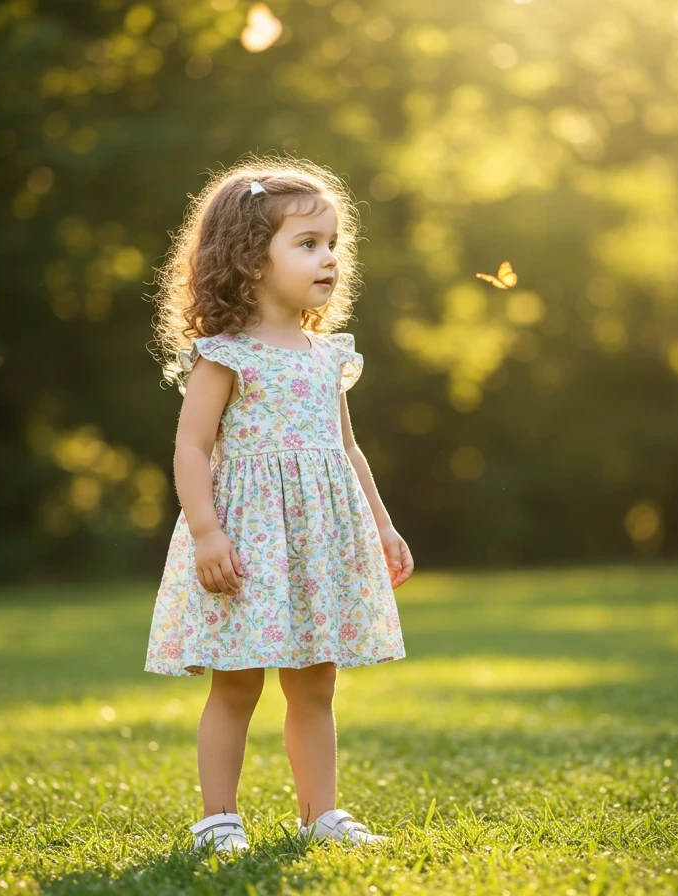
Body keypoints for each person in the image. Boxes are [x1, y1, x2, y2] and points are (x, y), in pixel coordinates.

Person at [144, 154, 414, 857]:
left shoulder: (328, 356)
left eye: (333, 245)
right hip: (248, 542)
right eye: (307, 244)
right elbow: (192, 449)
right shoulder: (226, 354)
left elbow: (348, 450)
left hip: (317, 542)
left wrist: (382, 527)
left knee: (316, 681)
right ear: (249, 260)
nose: (328, 258)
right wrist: (206, 533)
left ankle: (320, 813)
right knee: (236, 684)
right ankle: (218, 819)